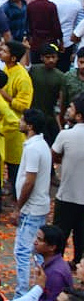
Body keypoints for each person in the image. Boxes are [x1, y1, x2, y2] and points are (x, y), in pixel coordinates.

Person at [15, 108, 54, 293]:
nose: (19, 122)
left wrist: (18, 207)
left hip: (32, 208)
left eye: (22, 120)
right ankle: (41, 287)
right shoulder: (40, 145)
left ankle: (22, 292)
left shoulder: (33, 148)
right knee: (36, 252)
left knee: (22, 252)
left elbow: (29, 181)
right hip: (38, 206)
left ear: (29, 126)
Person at [52, 92, 84, 266]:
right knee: (81, 236)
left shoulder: (66, 135)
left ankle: (57, 266)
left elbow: (55, 155)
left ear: (79, 116)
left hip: (67, 195)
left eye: (71, 108)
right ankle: (78, 263)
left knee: (60, 235)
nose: (68, 110)